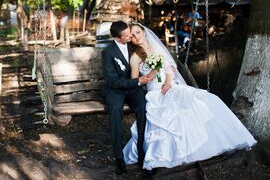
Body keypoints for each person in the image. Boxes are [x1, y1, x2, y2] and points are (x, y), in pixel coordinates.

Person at [123, 23, 256, 170]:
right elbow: (134, 82)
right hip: (155, 92)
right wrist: (150, 76)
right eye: (133, 35)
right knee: (166, 116)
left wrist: (167, 82)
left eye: (138, 32)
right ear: (130, 39)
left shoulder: (156, 47)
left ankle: (212, 142)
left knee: (205, 100)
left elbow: (169, 69)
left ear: (143, 32)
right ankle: (167, 154)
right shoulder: (135, 57)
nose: (136, 36)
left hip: (170, 86)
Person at [101, 21, 156, 175]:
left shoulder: (132, 45)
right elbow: (112, 81)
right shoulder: (108, 52)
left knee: (143, 107)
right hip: (115, 90)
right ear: (118, 39)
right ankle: (118, 157)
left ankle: (141, 152)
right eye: (127, 35)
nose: (131, 35)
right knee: (115, 110)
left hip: (132, 89)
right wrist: (138, 81)